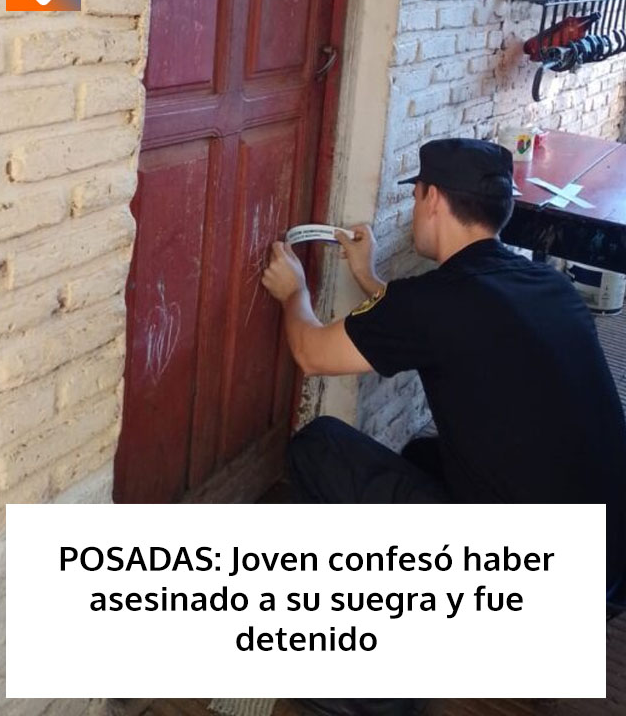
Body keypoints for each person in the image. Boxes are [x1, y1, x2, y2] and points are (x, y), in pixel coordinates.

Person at [261, 138, 626, 716]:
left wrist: (294, 292)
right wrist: (370, 277)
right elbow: (436, 323)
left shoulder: (436, 302)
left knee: (319, 446)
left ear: (432, 200)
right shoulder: (543, 285)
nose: (413, 210)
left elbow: (310, 351)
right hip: (604, 577)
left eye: (416, 198)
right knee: (421, 456)